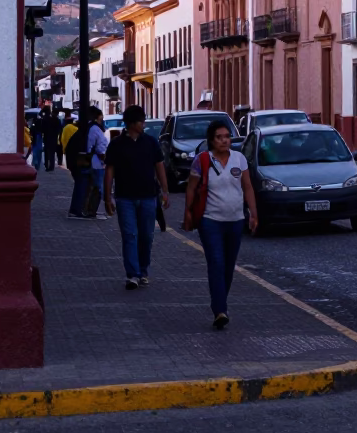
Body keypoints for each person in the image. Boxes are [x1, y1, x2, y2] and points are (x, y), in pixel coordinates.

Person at [183, 120, 257, 329]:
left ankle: (220, 302)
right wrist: (188, 211)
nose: (224, 140)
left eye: (227, 136)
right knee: (216, 262)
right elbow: (191, 187)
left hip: (235, 221)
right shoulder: (202, 160)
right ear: (211, 140)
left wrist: (253, 214)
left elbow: (248, 188)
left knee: (228, 266)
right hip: (210, 221)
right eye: (219, 137)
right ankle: (220, 309)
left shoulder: (239, 159)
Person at [104, 104, 170, 290]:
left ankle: (143, 270)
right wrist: (107, 196)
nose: (144, 124)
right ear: (131, 123)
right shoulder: (116, 144)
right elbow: (110, 170)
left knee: (146, 236)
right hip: (125, 198)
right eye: (141, 121)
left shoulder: (150, 142)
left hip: (149, 196)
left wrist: (165, 191)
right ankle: (132, 274)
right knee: (129, 235)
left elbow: (159, 167)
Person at [85, 108, 109, 218]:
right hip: (97, 161)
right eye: (101, 117)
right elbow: (91, 145)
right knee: (97, 187)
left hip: (99, 161)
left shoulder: (97, 129)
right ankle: (91, 210)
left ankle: (92, 210)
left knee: (98, 187)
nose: (102, 119)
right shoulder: (94, 129)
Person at [41, 104, 60, 172]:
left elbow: (42, 129)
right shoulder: (55, 119)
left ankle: (47, 165)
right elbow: (58, 129)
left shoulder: (45, 119)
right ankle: (51, 166)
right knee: (52, 153)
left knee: (47, 152)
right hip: (53, 138)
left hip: (47, 137)